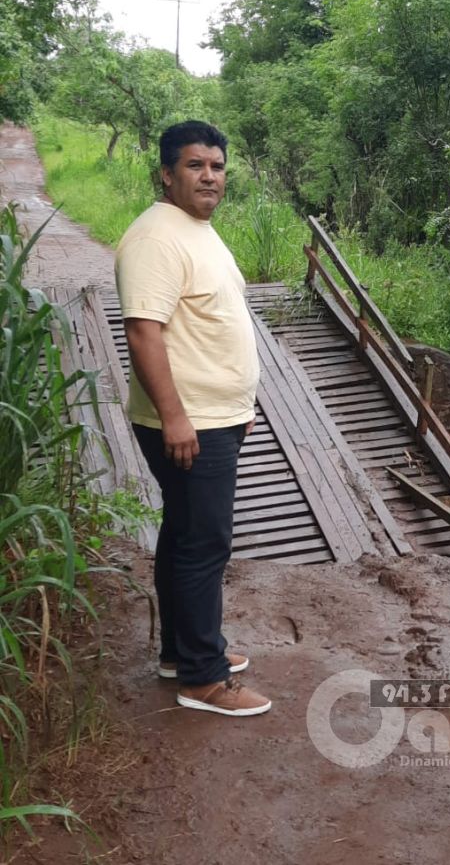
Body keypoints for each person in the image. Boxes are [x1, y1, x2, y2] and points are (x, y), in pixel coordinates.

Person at [115, 120, 271, 715]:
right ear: (165, 173)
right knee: (206, 542)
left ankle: (182, 652)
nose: (210, 176)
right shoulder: (157, 238)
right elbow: (143, 333)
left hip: (215, 416)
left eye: (217, 166)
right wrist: (177, 417)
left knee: (183, 534)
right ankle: (204, 679)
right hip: (187, 423)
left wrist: (240, 407)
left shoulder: (197, 228)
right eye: (195, 166)